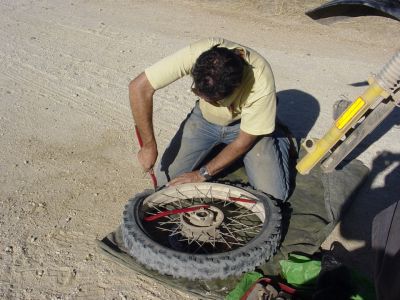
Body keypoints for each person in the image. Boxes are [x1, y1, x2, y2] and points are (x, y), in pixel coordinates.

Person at [129, 37, 292, 201]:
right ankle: (219, 146)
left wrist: (202, 174)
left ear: (236, 87)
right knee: (166, 184)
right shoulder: (200, 53)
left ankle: (277, 134)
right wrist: (149, 145)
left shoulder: (261, 81)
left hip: (243, 126)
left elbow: (243, 142)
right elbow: (139, 88)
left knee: (273, 197)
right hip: (205, 120)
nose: (206, 100)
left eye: (214, 100)